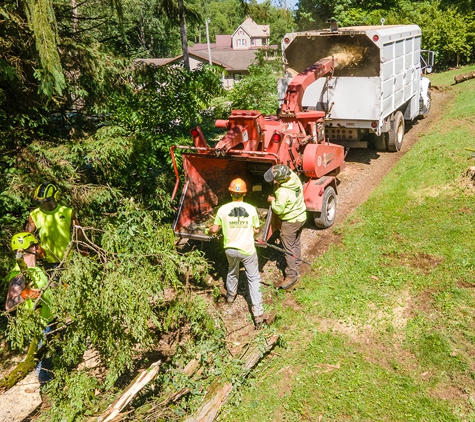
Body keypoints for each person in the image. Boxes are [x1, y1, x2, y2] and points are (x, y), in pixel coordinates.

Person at [208, 178, 269, 328]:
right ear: (244, 193)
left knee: (232, 270)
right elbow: (256, 229)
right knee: (254, 279)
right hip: (247, 250)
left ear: (230, 192)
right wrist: (252, 231)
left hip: (230, 250)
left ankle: (230, 296)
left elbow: (214, 229)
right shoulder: (251, 209)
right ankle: (258, 314)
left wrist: (209, 228)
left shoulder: (222, 209)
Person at [5, 232, 54, 387]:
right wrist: (24, 295)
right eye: (36, 244)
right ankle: (46, 395)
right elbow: (9, 306)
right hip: (37, 326)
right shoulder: (19, 275)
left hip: (48, 321)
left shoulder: (36, 269)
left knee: (51, 359)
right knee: (43, 364)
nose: (40, 248)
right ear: (30, 248)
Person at [264, 164, 307, 290]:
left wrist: (272, 200)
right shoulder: (294, 177)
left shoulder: (282, 192)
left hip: (290, 222)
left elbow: (278, 210)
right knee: (296, 243)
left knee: (288, 248)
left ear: (280, 180)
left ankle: (291, 275)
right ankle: (297, 266)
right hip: (301, 217)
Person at [25, 182, 81, 270]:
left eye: (46, 201)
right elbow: (27, 236)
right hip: (48, 260)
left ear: (55, 197)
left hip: (68, 258)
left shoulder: (67, 212)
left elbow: (79, 231)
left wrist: (82, 248)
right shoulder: (34, 215)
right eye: (41, 202)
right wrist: (37, 248)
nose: (44, 204)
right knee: (53, 282)